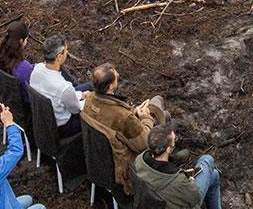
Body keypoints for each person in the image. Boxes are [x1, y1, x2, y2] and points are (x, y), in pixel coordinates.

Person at [82, 61, 169, 195]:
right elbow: (145, 143)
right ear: (111, 86)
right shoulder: (123, 116)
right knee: (160, 107)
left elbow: (109, 118)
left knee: (161, 112)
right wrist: (145, 118)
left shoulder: (89, 99)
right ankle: (168, 154)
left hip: (98, 159)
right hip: (124, 165)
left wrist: (133, 113)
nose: (118, 74)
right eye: (116, 75)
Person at [133, 123, 221, 209]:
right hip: (178, 198)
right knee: (207, 159)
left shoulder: (140, 160)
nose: (175, 141)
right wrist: (189, 181)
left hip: (155, 197)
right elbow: (196, 198)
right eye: (174, 140)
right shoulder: (179, 181)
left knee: (214, 175)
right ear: (168, 149)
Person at [27, 35, 90, 138]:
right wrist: (90, 99)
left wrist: (81, 94)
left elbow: (60, 95)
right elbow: (76, 109)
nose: (67, 52)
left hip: (44, 121)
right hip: (63, 127)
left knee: (89, 86)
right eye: (66, 51)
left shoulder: (37, 69)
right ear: (59, 57)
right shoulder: (64, 87)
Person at [0, 20, 34, 102]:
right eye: (26, 39)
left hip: (10, 102)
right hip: (26, 105)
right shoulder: (24, 68)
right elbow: (32, 94)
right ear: (21, 41)